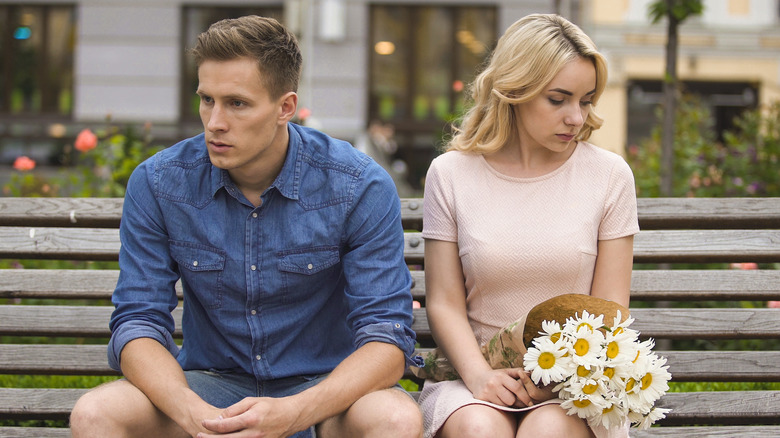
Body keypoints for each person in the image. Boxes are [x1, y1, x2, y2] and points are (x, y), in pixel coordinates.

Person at [70, 15, 423, 438]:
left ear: (285, 107)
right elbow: (138, 321)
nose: (215, 121)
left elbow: (387, 336)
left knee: (396, 419)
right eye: (206, 100)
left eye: (237, 103)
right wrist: (195, 415)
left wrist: (294, 413)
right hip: (210, 385)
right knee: (96, 414)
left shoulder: (356, 186)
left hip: (327, 391)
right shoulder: (160, 183)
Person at [418, 14, 639, 438]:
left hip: (577, 380)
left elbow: (611, 309)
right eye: (558, 100)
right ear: (514, 91)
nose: (576, 117)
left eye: (586, 100)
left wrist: (556, 381)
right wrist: (480, 376)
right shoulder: (450, 174)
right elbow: (444, 302)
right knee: (479, 429)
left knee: (546, 432)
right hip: (474, 376)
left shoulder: (609, 176)